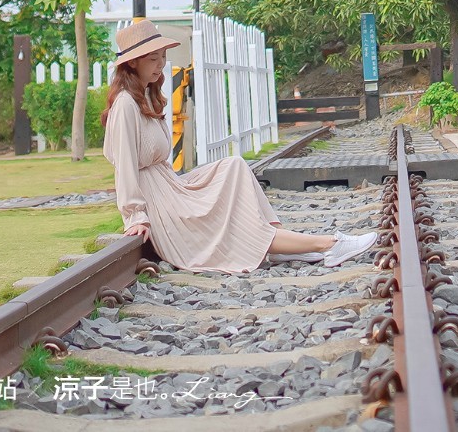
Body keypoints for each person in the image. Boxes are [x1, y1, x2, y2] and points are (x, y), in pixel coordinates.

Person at [101, 20, 378, 274]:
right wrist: (135, 215)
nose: (160, 64)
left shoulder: (148, 96)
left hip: (169, 187)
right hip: (159, 201)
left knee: (233, 166)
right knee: (233, 219)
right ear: (133, 63)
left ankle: (279, 241)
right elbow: (124, 166)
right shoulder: (126, 104)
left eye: (162, 57)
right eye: (153, 59)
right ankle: (328, 244)